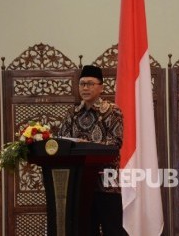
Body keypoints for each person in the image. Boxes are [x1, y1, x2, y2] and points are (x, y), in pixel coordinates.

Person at [58, 65, 126, 236]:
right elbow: (62, 141)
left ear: (101, 87)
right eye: (82, 84)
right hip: (80, 183)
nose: (85, 88)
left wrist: (85, 145)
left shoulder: (112, 111)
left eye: (90, 84)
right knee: (86, 230)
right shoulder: (72, 113)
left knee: (113, 230)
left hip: (106, 183)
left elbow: (115, 143)